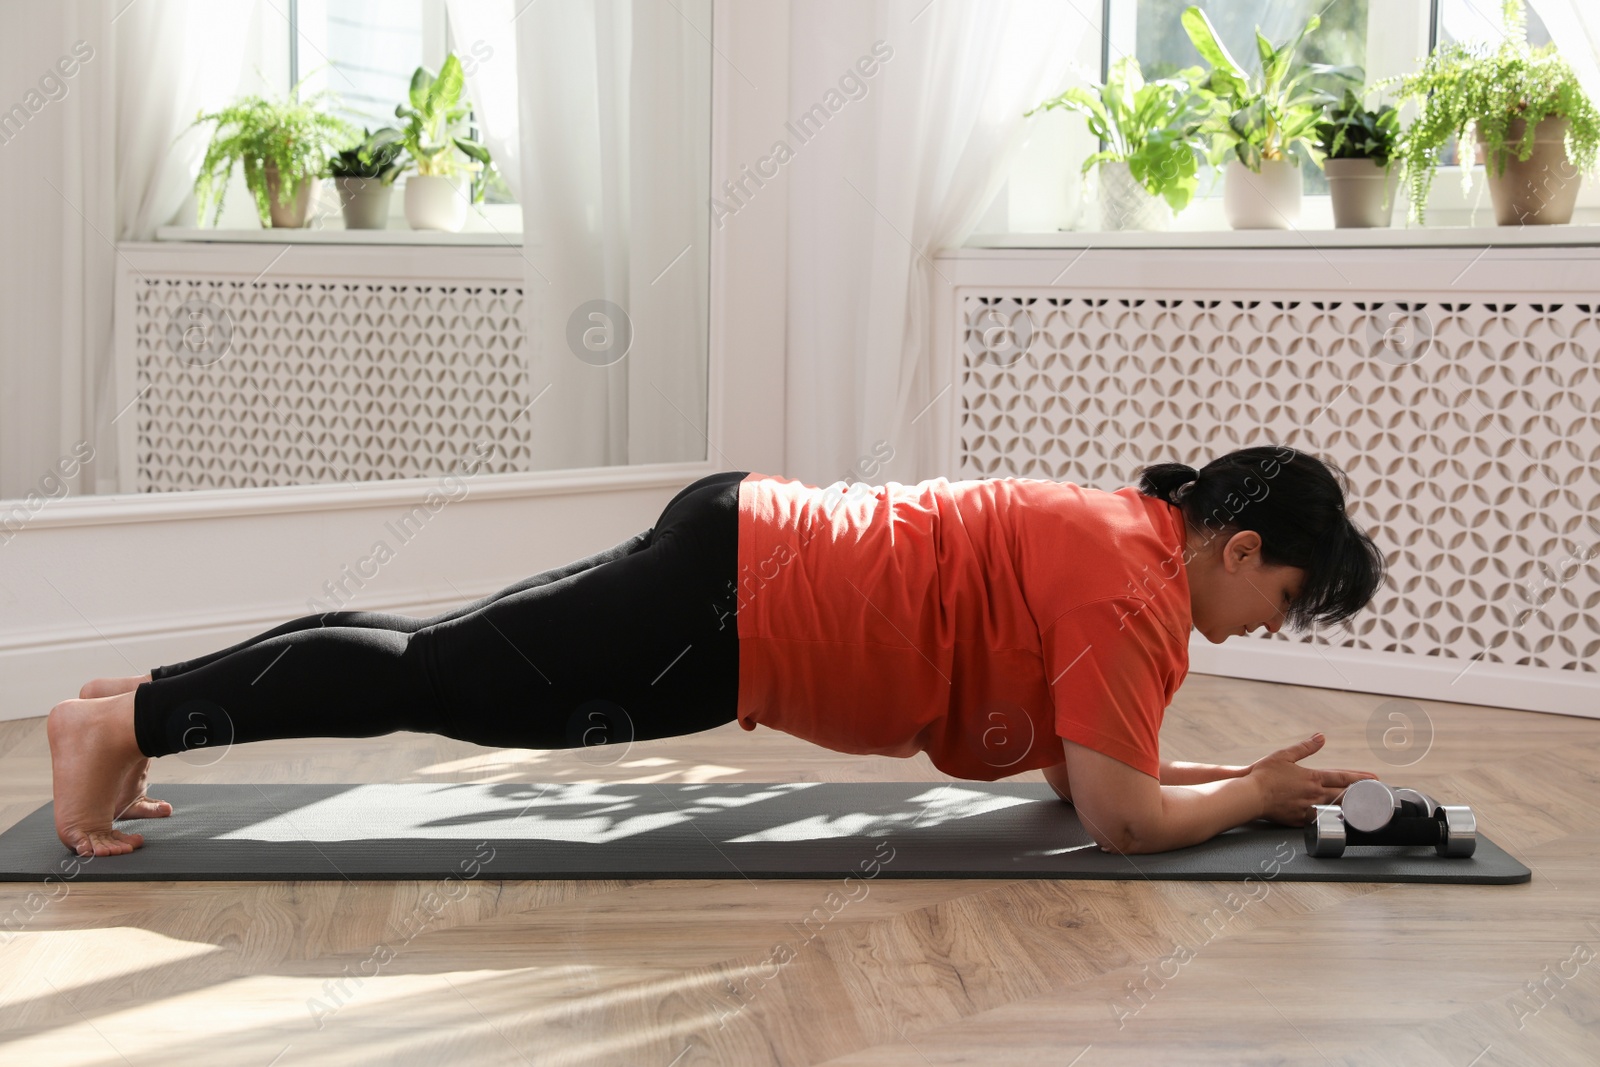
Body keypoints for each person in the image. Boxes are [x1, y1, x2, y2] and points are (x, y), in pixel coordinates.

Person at [47, 443, 1387, 859]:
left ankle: (137, 706)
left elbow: (1093, 771)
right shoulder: (1139, 595)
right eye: (1289, 594)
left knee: (435, 655)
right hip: (746, 612)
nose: (1276, 624)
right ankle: (126, 726)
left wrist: (1225, 778)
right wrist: (1247, 799)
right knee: (437, 679)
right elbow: (1117, 817)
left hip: (743, 551)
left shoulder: (1125, 540)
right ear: (1237, 546)